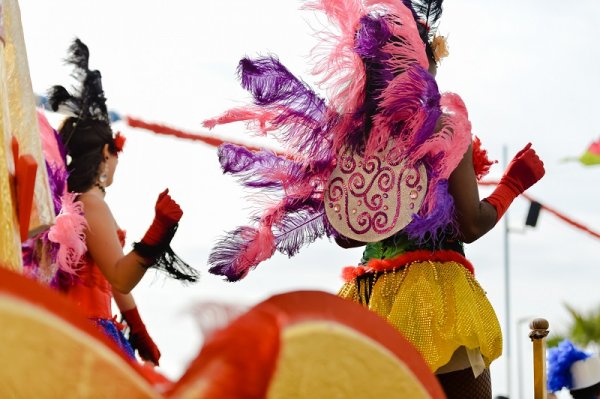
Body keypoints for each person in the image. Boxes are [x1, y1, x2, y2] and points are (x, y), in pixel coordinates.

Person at [203, 1, 544, 397]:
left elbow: (347, 235)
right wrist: (513, 185)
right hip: (438, 300)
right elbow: (471, 223)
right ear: (426, 63)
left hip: (373, 298)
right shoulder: (447, 126)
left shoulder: (354, 137)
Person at [46, 39, 198, 364]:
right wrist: (159, 231)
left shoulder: (79, 202)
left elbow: (111, 281)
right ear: (106, 153)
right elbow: (119, 276)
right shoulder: (90, 202)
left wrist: (138, 330)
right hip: (87, 332)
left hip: (76, 327)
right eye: (117, 154)